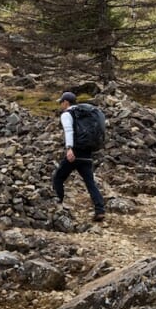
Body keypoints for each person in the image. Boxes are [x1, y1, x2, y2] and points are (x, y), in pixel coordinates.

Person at [52, 91, 106, 222]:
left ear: (66, 102)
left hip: (75, 152)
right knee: (90, 182)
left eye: (61, 102)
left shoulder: (67, 114)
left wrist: (69, 148)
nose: (60, 105)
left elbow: (69, 131)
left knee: (58, 177)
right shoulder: (85, 113)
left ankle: (58, 205)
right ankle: (100, 210)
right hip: (87, 152)